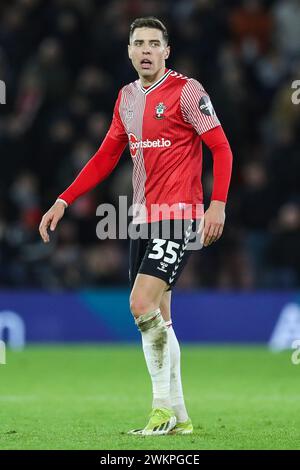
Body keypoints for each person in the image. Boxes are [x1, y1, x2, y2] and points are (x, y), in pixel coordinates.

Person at [39, 17, 233, 436]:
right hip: (142, 218)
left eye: (153, 43)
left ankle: (160, 410)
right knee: (161, 316)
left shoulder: (187, 91)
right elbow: (106, 156)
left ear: (167, 51)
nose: (145, 50)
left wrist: (217, 205)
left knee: (140, 305)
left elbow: (221, 146)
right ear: (129, 51)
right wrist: (63, 199)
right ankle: (180, 417)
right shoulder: (126, 98)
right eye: (138, 43)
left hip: (179, 216)